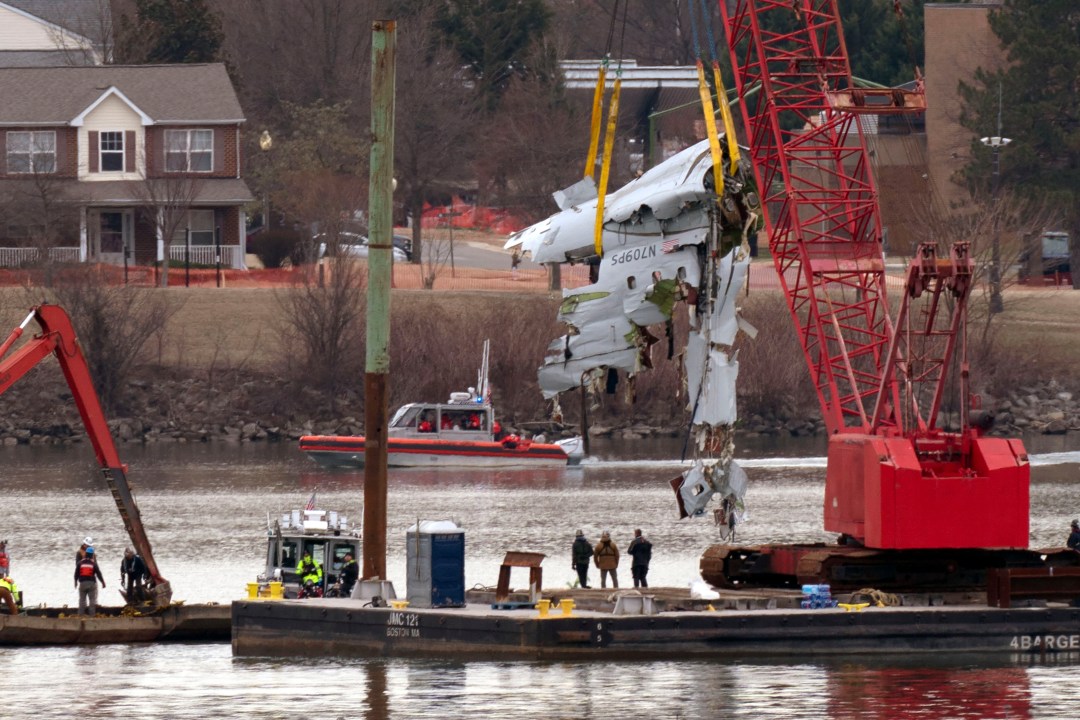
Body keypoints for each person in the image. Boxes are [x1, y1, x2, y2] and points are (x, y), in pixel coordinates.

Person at [75, 545, 105, 616]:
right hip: (91, 584)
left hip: (82, 584)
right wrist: (103, 582)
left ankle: (80, 615)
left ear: (85, 554)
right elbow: (98, 574)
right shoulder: (93, 564)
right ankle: (92, 615)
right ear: (92, 555)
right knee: (92, 600)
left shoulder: (80, 563)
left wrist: (75, 582)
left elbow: (76, 573)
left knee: (82, 600)